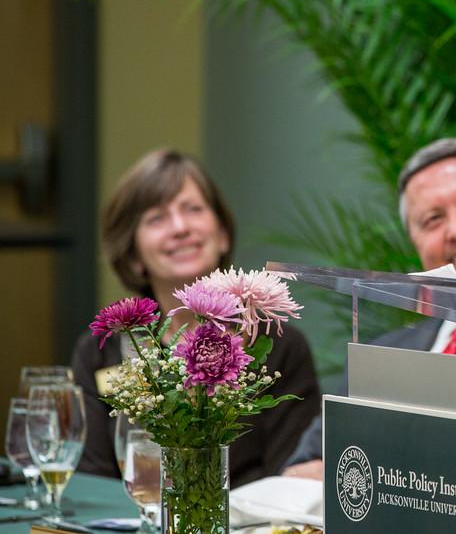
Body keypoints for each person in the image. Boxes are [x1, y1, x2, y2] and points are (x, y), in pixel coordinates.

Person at [283, 137, 456, 530]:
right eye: (433, 220)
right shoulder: (383, 354)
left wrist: (384, 490)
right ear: (416, 243)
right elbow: (295, 479)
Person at [72, 148, 321, 486]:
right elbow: (93, 483)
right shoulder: (100, 352)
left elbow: (287, 480)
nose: (180, 228)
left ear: (223, 235)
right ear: (133, 256)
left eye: (193, 209)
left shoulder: (278, 344)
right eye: (156, 218)